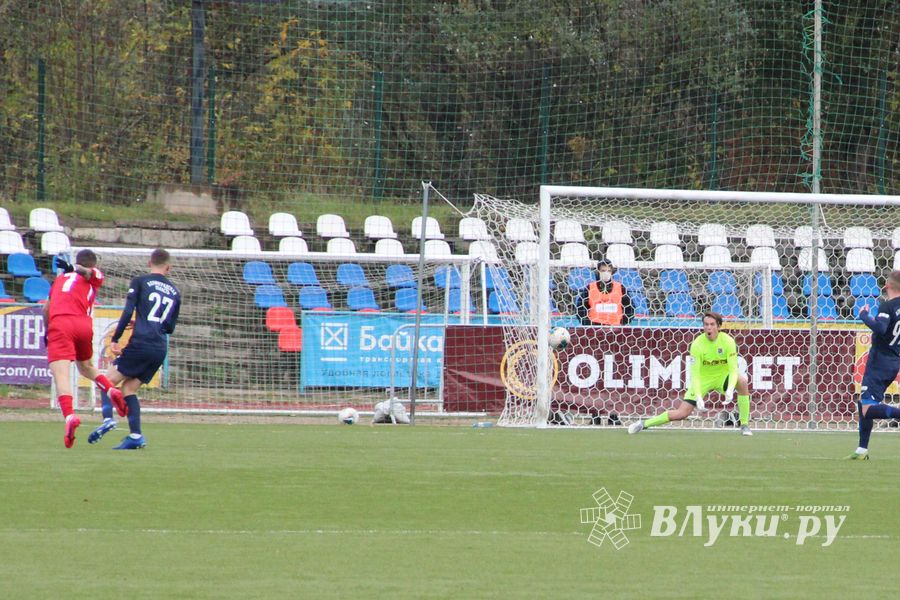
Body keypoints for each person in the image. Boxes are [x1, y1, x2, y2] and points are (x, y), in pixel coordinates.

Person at [88, 248, 181, 450]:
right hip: (158, 348)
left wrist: (116, 338)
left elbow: (128, 309)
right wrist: (142, 322)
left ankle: (107, 419)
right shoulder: (175, 291)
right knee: (128, 389)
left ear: (150, 263)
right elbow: (169, 327)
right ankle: (136, 436)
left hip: (141, 343)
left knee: (107, 381)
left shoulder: (140, 281)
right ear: (169, 267)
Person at [43, 249, 126, 448]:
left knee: (62, 376)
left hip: (61, 323)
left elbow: (46, 308)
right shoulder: (95, 277)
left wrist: (47, 332)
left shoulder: (60, 280)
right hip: (83, 325)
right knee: (86, 367)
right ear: (94, 264)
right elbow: (89, 274)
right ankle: (110, 390)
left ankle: (70, 416)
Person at [629, 311, 753, 436]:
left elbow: (733, 370)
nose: (708, 327)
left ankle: (744, 425)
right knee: (682, 413)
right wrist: (699, 396)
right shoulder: (697, 344)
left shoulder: (728, 341)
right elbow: (695, 374)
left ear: (719, 326)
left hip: (722, 377)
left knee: (742, 381)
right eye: (706, 324)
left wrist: (730, 389)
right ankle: (643, 424)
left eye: (712, 324)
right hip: (703, 380)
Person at [846, 270, 900, 460]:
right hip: (894, 361)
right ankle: (862, 449)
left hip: (879, 362)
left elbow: (881, 328)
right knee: (864, 402)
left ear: (887, 286)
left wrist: (864, 315)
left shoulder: (887, 306)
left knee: (867, 409)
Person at [575, 259, 634, 326]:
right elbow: (580, 308)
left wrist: (622, 322)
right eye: (603, 271)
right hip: (594, 328)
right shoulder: (590, 287)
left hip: (616, 328)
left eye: (608, 271)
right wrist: (588, 323)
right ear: (598, 271)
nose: (606, 273)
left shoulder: (620, 288)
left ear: (612, 272)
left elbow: (630, 309)